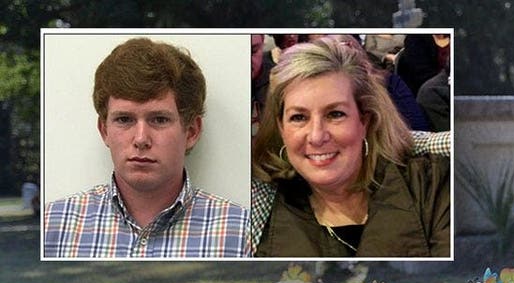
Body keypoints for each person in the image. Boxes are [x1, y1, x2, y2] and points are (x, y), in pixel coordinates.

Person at [43, 38, 249, 257]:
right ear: (104, 130)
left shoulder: (241, 233)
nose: (141, 139)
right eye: (124, 119)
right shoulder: (53, 225)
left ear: (191, 132)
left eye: (159, 119)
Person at [250, 37, 450, 258]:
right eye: (298, 117)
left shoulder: (432, 186)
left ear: (364, 120)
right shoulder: (258, 210)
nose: (316, 136)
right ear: (281, 127)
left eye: (335, 114)